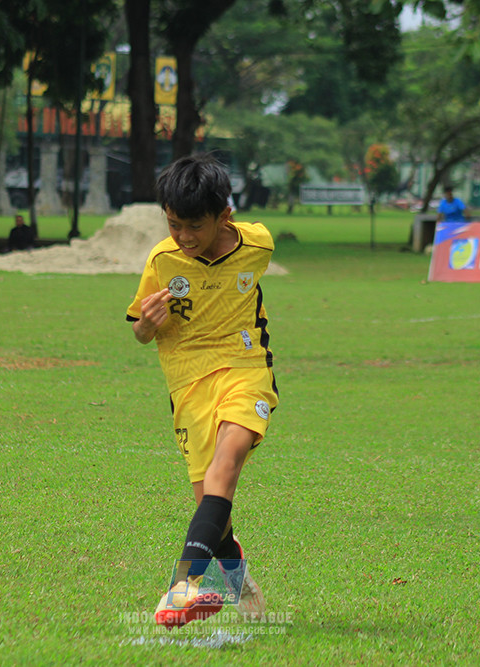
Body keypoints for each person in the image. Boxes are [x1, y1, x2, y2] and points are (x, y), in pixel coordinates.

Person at [125, 154, 277, 630]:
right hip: (188, 385)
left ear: (224, 217)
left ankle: (184, 583)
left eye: (194, 226)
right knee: (212, 507)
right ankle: (238, 581)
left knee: (226, 467)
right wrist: (147, 327)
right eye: (174, 224)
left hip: (245, 368)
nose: (183, 237)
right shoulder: (161, 261)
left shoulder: (258, 245)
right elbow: (140, 332)